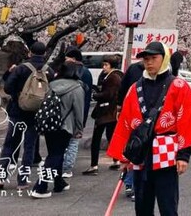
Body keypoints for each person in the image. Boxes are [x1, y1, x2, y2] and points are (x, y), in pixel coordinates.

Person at [108, 42, 191, 216]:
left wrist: (183, 155)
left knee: (168, 206)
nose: (149, 62)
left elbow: (186, 121)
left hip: (167, 152)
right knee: (142, 206)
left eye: (154, 58)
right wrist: (124, 156)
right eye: (146, 59)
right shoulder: (135, 88)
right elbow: (125, 122)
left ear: (164, 58)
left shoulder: (179, 86)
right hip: (141, 153)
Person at [0, 41, 51, 190]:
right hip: (36, 113)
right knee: (29, 146)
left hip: (17, 111)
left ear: (29, 53)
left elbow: (7, 88)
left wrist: (17, 95)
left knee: (10, 144)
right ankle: (22, 180)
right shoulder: (48, 71)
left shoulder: (21, 68)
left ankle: (1, 177)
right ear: (44, 53)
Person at [30, 61, 86, 199]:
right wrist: (79, 129)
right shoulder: (77, 88)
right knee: (55, 155)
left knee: (55, 154)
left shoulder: (52, 85)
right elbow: (79, 111)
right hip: (65, 127)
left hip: (50, 124)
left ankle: (59, 182)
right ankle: (40, 187)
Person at [82, 54, 123, 175]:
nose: (103, 67)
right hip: (112, 111)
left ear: (111, 65)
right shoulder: (119, 75)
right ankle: (116, 161)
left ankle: (94, 165)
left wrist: (95, 95)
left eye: (106, 65)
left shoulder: (112, 77)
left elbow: (108, 94)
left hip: (105, 111)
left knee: (97, 138)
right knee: (111, 135)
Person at [60, 48, 93, 178]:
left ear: (73, 58)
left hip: (66, 113)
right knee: (73, 141)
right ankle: (67, 167)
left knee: (69, 141)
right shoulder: (86, 73)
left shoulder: (71, 71)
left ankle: (65, 166)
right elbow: (86, 97)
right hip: (77, 112)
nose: (65, 60)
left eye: (67, 58)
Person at [117, 59, 145, 201]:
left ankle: (129, 184)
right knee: (138, 152)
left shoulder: (133, 68)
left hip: (133, 117)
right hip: (144, 120)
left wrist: (119, 106)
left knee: (131, 150)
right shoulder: (159, 72)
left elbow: (122, 88)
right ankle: (134, 185)